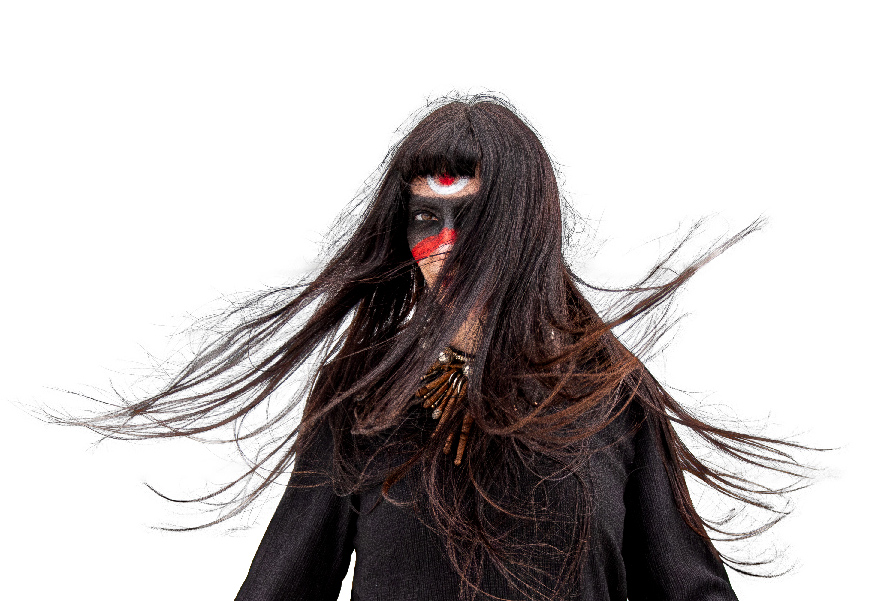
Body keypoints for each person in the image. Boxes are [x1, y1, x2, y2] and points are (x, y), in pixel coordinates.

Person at [56, 94, 811, 601]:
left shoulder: (612, 397)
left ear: (522, 229)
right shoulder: (363, 398)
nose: (445, 245)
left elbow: (690, 590)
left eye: (471, 218)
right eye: (425, 217)